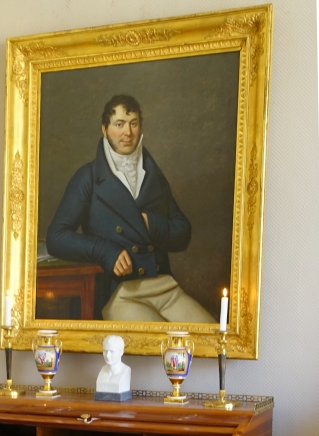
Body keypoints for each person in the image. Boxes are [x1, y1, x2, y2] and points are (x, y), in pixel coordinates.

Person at [46, 94, 214, 322]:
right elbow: (57, 237)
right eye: (119, 124)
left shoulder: (153, 175)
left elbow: (183, 232)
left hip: (165, 287)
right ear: (105, 130)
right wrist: (106, 251)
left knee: (208, 333)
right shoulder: (88, 177)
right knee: (159, 345)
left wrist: (151, 224)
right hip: (119, 292)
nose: (128, 132)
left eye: (133, 124)